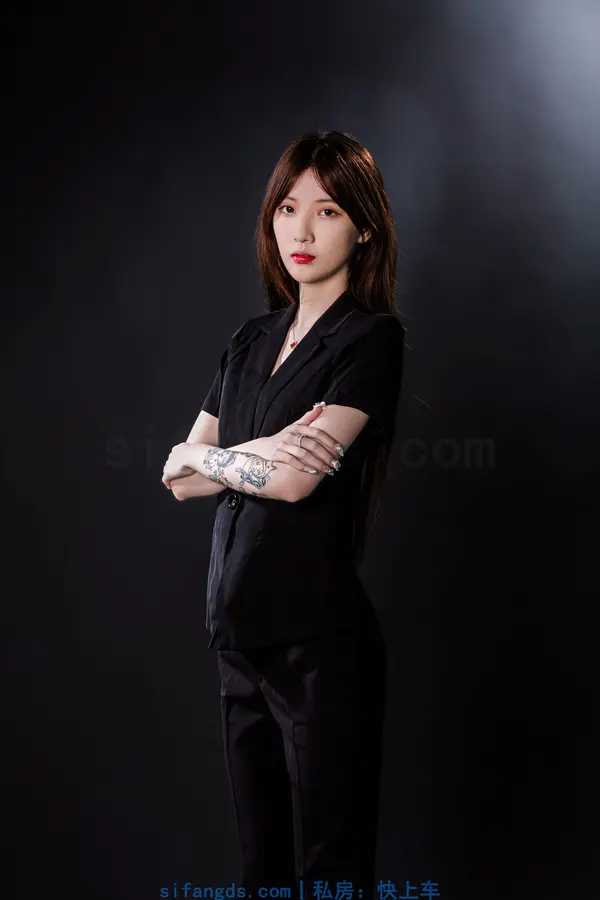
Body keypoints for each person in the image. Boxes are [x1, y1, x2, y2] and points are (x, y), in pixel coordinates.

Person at [162, 130, 405, 899]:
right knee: (259, 872)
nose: (301, 230)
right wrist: (249, 453)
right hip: (236, 638)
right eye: (287, 208)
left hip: (318, 646)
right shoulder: (250, 339)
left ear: (362, 228)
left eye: (327, 211)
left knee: (330, 872)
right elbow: (177, 477)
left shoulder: (371, 339)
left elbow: (296, 483)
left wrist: (212, 455)